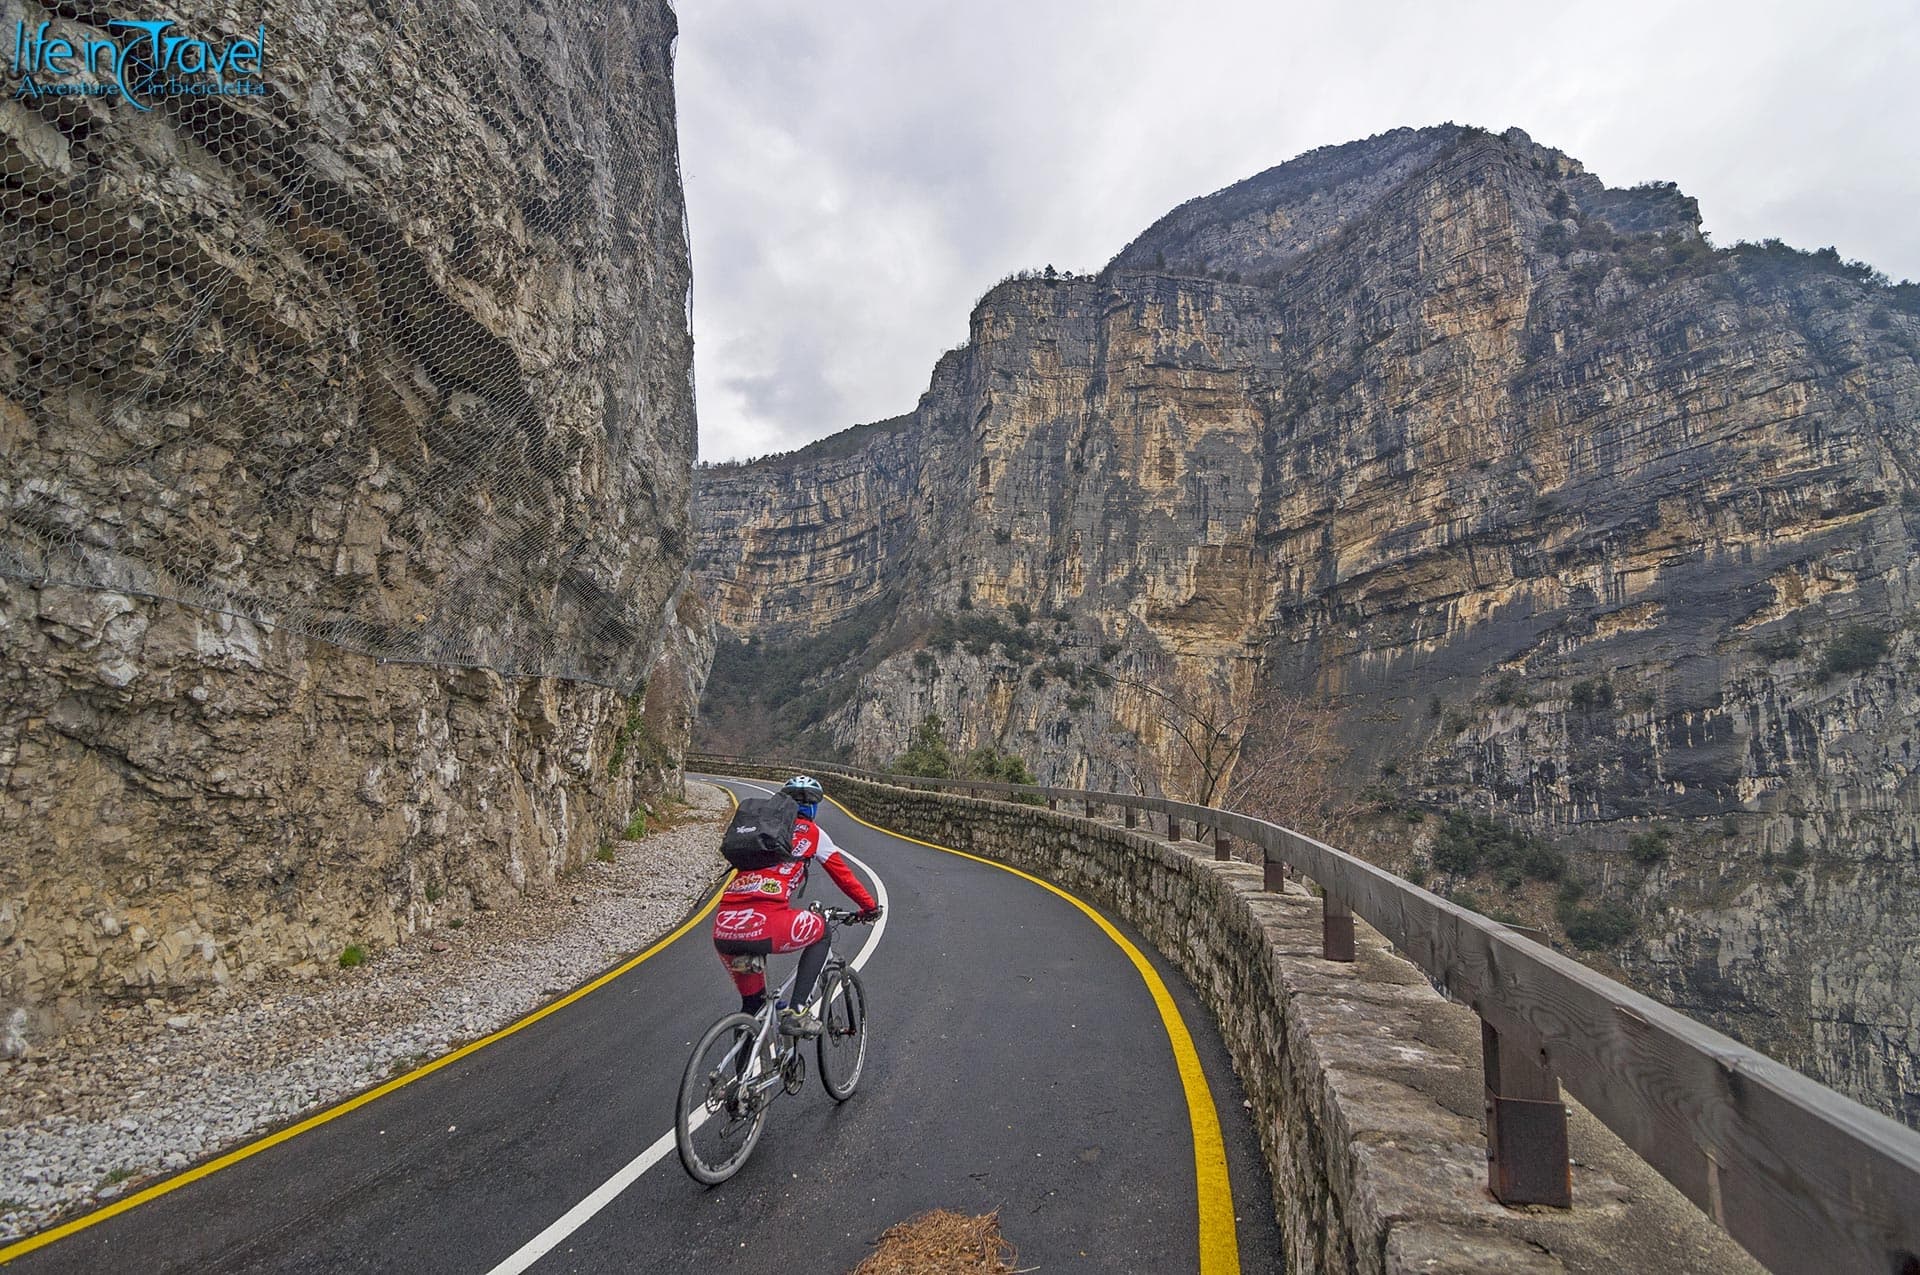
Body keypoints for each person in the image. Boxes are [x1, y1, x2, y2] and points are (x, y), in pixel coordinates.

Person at [711, 776, 881, 1038]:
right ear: (814, 807)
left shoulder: (761, 832)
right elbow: (845, 878)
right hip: (766, 924)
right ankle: (798, 1012)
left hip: (724, 927)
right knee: (822, 930)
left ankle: (739, 1077)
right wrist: (869, 908)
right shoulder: (813, 833)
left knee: (752, 1008)